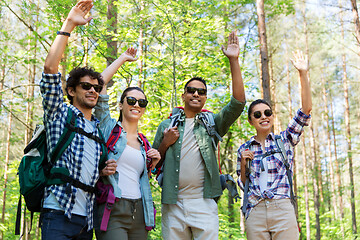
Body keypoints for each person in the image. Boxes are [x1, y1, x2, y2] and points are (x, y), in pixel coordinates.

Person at [152, 31, 246, 240]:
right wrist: (165, 144)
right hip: (173, 202)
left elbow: (238, 104)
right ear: (183, 95)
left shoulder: (212, 122)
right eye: (191, 90)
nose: (196, 94)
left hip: (204, 202)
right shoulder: (166, 125)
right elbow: (153, 163)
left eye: (201, 91)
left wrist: (234, 60)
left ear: (205, 98)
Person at [40, 1, 115, 239]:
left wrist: (103, 171)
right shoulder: (60, 114)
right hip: (58, 212)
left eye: (96, 88)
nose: (93, 91)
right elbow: (50, 69)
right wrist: (69, 25)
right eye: (85, 86)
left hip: (87, 220)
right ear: (71, 91)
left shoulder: (95, 129)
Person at [237, 50, 312, 240]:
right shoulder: (244, 149)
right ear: (250, 121)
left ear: (272, 116)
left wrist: (302, 73)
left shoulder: (285, 140)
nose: (263, 117)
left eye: (267, 113)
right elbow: (243, 184)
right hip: (255, 210)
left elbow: (305, 110)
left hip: (282, 208)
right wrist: (244, 164)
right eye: (257, 114)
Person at [93, 47, 161, 240]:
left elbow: (142, 177)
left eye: (142, 103)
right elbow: (100, 83)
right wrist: (123, 58)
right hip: (113, 207)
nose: (137, 105)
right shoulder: (109, 128)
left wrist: (153, 163)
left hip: (141, 209)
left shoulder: (144, 143)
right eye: (131, 100)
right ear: (121, 104)